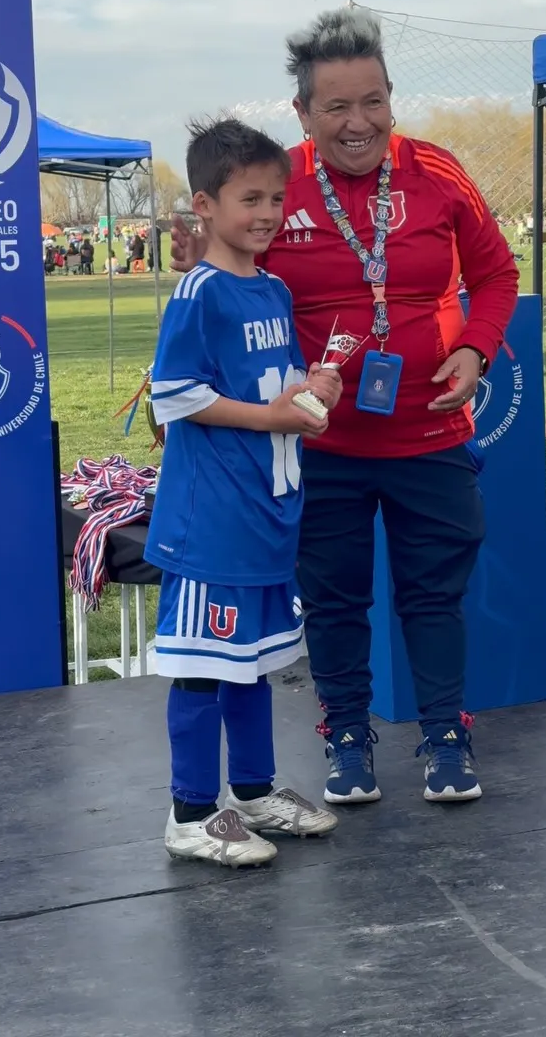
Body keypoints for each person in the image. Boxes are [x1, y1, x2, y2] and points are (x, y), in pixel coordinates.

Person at [170, 8, 519, 808]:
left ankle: (446, 737)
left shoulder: (438, 171)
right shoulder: (276, 187)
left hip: (430, 433)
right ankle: (348, 738)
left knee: (434, 596)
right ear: (303, 113)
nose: (358, 122)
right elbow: (227, 280)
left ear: (391, 99)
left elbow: (497, 273)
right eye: (337, 107)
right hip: (319, 445)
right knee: (333, 600)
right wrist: (195, 258)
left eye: (373, 101)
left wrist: (475, 349)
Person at [146, 117, 343, 868]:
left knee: (253, 661)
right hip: (213, 522)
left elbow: (279, 386)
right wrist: (272, 417)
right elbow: (176, 395)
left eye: (276, 199)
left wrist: (314, 390)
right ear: (205, 205)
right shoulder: (199, 292)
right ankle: (192, 813)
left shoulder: (273, 289)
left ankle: (254, 792)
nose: (266, 214)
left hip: (267, 513)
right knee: (203, 665)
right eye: (249, 199)